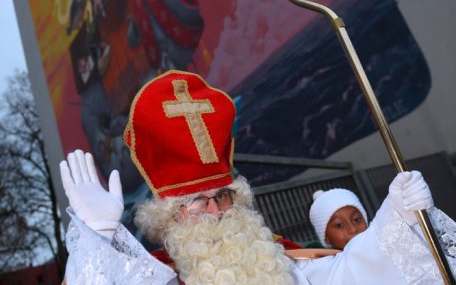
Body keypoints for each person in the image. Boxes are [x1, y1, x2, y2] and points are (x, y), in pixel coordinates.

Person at [60, 70, 456, 284]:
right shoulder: (160, 278)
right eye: (197, 201)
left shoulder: (278, 262)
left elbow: (350, 274)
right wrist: (99, 239)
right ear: (169, 219)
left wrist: (399, 219)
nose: (215, 209)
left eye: (223, 196)